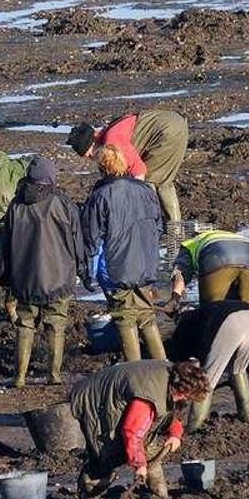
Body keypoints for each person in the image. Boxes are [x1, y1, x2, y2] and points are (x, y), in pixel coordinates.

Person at [70, 360, 210, 499]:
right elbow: (132, 431)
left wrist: (175, 433)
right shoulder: (149, 396)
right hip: (96, 401)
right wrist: (139, 464)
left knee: (149, 449)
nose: (188, 401)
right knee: (105, 455)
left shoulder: (172, 380)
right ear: (182, 392)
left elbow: (172, 409)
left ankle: (159, 498)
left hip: (122, 399)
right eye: (188, 398)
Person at [0, 156, 85, 387]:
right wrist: (83, 269)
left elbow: (5, 247)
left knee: (25, 324)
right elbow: (77, 239)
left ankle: (19, 377)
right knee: (56, 323)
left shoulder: (15, 206)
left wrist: (6, 278)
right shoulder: (63, 203)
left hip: (24, 278)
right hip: (59, 277)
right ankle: (54, 375)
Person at [81, 145, 166, 362]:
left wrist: (86, 272)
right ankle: (162, 367)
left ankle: (134, 371)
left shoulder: (101, 195)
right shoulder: (145, 190)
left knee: (124, 317)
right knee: (147, 315)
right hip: (146, 262)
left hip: (117, 266)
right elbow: (158, 225)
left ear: (102, 167)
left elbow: (91, 236)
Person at [67, 110, 189, 224]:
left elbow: (139, 171)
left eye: (90, 155)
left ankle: (153, 224)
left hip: (167, 131)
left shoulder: (112, 141)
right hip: (174, 124)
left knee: (152, 180)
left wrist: (135, 205)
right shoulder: (108, 135)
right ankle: (173, 228)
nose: (93, 159)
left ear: (94, 143)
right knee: (163, 180)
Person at [167, 300, 249, 431]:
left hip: (231, 322)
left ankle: (194, 426)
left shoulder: (186, 322)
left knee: (208, 379)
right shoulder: (206, 310)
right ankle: (246, 414)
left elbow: (183, 359)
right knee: (239, 369)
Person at [170, 230, 249, 306]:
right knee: (247, 307)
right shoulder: (227, 235)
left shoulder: (189, 245)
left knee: (212, 309)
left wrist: (174, 300)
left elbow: (179, 275)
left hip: (217, 255)